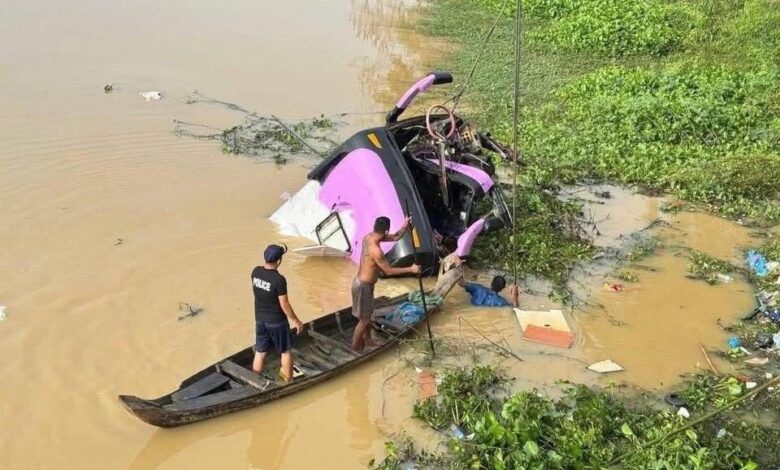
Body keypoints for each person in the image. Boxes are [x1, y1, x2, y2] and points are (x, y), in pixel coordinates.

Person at [352, 216, 420, 350]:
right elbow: (388, 271)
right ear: (386, 231)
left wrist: (405, 225)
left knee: (368, 314)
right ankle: (355, 348)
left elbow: (395, 237)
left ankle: (368, 340)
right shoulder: (376, 251)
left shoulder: (368, 237)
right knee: (364, 320)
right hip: (363, 286)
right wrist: (411, 269)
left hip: (363, 283)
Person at [251, 244, 305, 382]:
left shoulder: (255, 272)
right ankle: (289, 381)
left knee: (260, 351)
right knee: (285, 351)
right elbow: (284, 304)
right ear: (279, 261)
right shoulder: (279, 280)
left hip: (260, 320)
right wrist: (297, 321)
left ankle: (254, 380)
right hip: (276, 321)